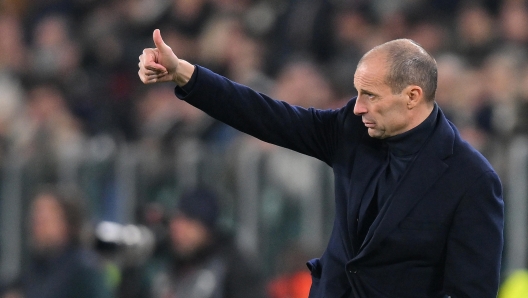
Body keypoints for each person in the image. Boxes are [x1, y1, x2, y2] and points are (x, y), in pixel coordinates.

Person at [138, 29, 504, 297]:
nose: (357, 106)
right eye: (357, 93)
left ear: (412, 96)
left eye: (370, 96)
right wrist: (186, 74)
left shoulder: (471, 179)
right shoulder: (353, 129)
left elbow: (470, 293)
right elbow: (270, 117)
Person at [139, 187, 266, 298]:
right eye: (176, 221)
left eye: (188, 222)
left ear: (205, 228)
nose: (178, 229)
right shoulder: (170, 261)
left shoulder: (231, 266)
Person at [1, 187, 113, 298]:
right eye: (34, 219)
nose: (36, 227)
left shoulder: (84, 270)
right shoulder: (37, 268)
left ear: (67, 223)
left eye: (44, 220)